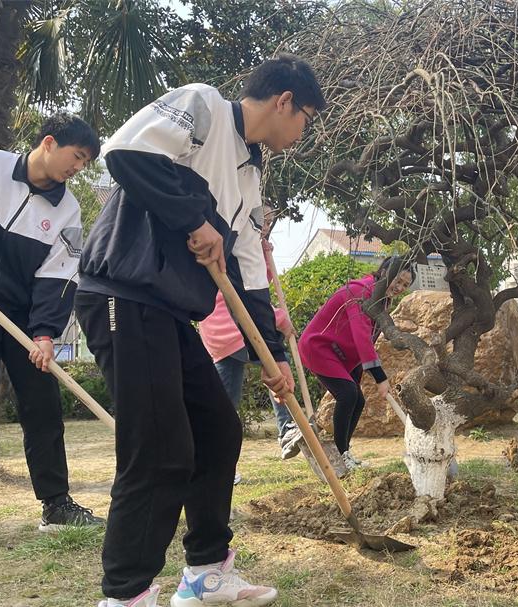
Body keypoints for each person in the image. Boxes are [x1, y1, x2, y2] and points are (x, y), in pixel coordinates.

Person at [74, 54, 325, 607]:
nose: (301, 133)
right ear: (284, 101)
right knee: (160, 451)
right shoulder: (203, 107)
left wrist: (272, 357)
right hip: (123, 295)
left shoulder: (250, 172)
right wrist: (194, 218)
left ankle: (207, 572)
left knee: (218, 432)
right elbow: (126, 152)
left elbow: (248, 271)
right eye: (305, 117)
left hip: (168, 314)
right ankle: (125, 594)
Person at [0, 114, 105, 552]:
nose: (78, 168)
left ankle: (56, 504)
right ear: (49, 143)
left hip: (25, 318)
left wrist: (45, 333)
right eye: (77, 157)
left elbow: (59, 275)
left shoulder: (67, 210)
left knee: (43, 408)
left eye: (85, 163)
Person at [297, 256, 415, 474]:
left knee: (357, 399)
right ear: (384, 272)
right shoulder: (360, 293)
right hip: (319, 347)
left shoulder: (381, 301)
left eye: (405, 285)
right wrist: (380, 376)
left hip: (341, 353)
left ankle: (344, 453)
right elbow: (361, 336)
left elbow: (367, 339)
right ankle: (341, 456)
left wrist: (364, 370)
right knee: (348, 395)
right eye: (397, 280)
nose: (399, 287)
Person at [199, 239, 301, 477]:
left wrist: (263, 256)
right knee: (276, 367)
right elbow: (250, 295)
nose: (264, 225)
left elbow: (258, 283)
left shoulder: (240, 239)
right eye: (262, 221)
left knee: (224, 407)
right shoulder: (229, 243)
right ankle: (286, 427)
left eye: (267, 220)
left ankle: (219, 463)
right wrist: (282, 319)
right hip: (234, 328)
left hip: (219, 337)